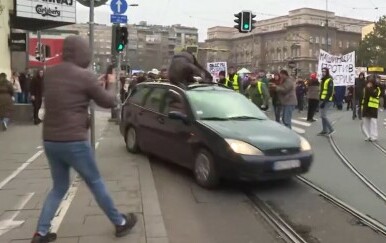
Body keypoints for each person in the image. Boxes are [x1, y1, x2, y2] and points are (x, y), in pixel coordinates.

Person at [31, 36, 137, 243]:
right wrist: (111, 85)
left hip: (51, 140)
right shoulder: (85, 76)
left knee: (59, 187)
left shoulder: (51, 73)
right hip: (74, 141)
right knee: (95, 181)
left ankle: (40, 233)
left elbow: (68, 95)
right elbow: (109, 102)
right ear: (82, 53)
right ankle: (120, 223)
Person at [361, 75, 381, 141]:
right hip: (366, 106)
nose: (369, 84)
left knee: (373, 122)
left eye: (370, 83)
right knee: (365, 121)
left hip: (373, 107)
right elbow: (363, 96)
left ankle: (374, 136)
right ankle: (368, 135)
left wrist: (369, 88)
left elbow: (374, 94)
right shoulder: (365, 88)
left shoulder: (377, 89)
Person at [318, 67, 335, 136]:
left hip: (327, 100)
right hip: (322, 99)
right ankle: (324, 130)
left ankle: (331, 129)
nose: (323, 72)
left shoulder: (329, 80)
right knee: (322, 116)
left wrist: (324, 101)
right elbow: (322, 90)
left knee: (323, 115)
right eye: (322, 71)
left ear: (327, 72)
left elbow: (329, 92)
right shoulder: (323, 80)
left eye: (324, 71)